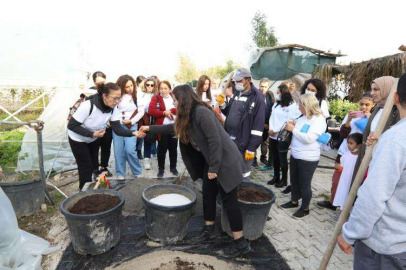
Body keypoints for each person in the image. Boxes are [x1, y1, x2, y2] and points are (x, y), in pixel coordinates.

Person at [140, 84, 250, 257]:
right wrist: (149, 128)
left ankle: (240, 242)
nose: (173, 102)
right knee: (208, 193)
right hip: (212, 159)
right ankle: (209, 230)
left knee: (229, 199)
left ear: (182, 99)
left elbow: (215, 141)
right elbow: (172, 128)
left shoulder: (201, 113)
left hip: (223, 160)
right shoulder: (188, 115)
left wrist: (213, 167)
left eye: (175, 99)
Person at [338, 72, 406, 270]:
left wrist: (350, 234)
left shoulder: (397, 139)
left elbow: (374, 196)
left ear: (395, 97)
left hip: (386, 246)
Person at [67, 82, 142, 189]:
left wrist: (133, 133)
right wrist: (92, 134)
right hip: (77, 139)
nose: (117, 102)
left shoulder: (113, 108)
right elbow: (72, 125)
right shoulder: (88, 106)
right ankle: (84, 193)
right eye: (114, 98)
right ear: (104, 96)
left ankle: (91, 188)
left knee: (94, 166)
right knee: (85, 167)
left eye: (119, 98)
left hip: (93, 138)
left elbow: (117, 128)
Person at [317, 93, 375, 211]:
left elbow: (373, 135)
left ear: (373, 104)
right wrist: (349, 119)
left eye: (367, 104)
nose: (363, 107)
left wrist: (370, 119)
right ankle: (333, 202)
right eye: (361, 104)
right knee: (337, 179)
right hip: (344, 152)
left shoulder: (374, 119)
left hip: (360, 156)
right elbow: (342, 134)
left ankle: (348, 206)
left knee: (353, 181)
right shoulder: (352, 116)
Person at [280, 94, 327, 218]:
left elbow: (309, 138)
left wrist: (293, 129)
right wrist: (293, 124)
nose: (299, 107)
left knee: (305, 184)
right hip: (296, 154)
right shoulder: (302, 117)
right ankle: (294, 201)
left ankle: (305, 208)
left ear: (307, 105)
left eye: (300, 104)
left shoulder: (319, 119)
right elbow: (297, 131)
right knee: (294, 180)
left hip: (308, 158)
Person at [217, 68, 266, 182]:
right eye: (235, 81)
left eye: (239, 81)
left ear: (248, 80)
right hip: (230, 138)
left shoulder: (257, 98)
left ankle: (242, 194)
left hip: (243, 142)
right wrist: (223, 104)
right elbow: (230, 113)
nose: (236, 83)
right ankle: (230, 193)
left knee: (243, 172)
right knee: (230, 168)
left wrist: (251, 148)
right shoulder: (237, 93)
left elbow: (258, 126)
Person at [351, 76, 399, 183]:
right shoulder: (377, 109)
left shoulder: (396, 111)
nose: (372, 93)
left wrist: (380, 140)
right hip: (367, 158)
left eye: (376, 89)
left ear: (388, 89)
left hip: (380, 163)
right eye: (371, 89)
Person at [267, 84, 300, 188]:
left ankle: (284, 180)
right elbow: (272, 117)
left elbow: (290, 121)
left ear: (284, 93)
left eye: (278, 93)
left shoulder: (292, 105)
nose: (277, 95)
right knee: (275, 157)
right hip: (272, 135)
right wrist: (270, 129)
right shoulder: (276, 104)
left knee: (282, 158)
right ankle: (276, 177)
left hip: (283, 135)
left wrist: (276, 130)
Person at [113, 75, 144, 179]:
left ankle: (136, 171)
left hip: (131, 125)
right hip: (117, 125)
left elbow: (141, 112)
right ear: (121, 87)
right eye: (127, 86)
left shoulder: (137, 95)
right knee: (118, 150)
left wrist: (131, 120)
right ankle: (120, 173)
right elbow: (112, 109)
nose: (130, 88)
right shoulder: (116, 95)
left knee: (130, 150)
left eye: (131, 85)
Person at [148, 80, 178, 177]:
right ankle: (161, 169)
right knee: (162, 149)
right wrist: (164, 113)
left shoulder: (174, 96)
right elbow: (151, 111)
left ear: (169, 89)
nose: (163, 91)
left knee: (173, 149)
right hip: (162, 128)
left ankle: (173, 167)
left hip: (174, 127)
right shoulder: (156, 98)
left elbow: (181, 109)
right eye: (161, 88)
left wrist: (171, 111)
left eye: (165, 88)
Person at [332, 133, 362, 209]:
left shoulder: (360, 159)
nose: (348, 145)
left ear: (359, 145)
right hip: (344, 181)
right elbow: (341, 168)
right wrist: (338, 168)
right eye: (348, 143)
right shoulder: (346, 154)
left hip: (352, 182)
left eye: (351, 143)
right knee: (342, 196)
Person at [138, 77, 158, 169]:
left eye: (152, 85)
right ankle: (146, 159)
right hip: (145, 120)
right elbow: (140, 109)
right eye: (148, 85)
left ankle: (157, 156)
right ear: (145, 85)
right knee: (147, 140)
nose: (150, 87)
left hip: (156, 120)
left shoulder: (157, 95)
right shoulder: (141, 95)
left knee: (157, 140)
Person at [257, 78, 275, 170]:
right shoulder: (255, 94)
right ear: (259, 86)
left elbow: (273, 109)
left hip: (267, 123)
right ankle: (253, 159)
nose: (263, 88)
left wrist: (268, 124)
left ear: (268, 87)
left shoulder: (270, 95)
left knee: (265, 142)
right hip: (256, 123)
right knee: (255, 140)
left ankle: (263, 157)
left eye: (265, 87)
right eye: (262, 86)